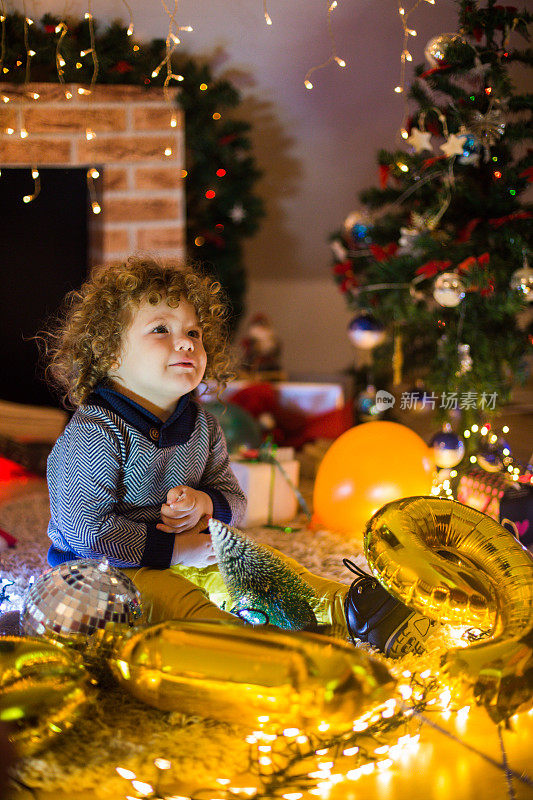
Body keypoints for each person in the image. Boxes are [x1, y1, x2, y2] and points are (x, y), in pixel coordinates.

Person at [44, 255, 435, 657]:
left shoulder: (202, 426)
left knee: (261, 566)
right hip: (103, 572)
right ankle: (248, 646)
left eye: (194, 333)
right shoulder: (94, 433)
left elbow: (236, 502)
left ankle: (351, 610)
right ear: (110, 354)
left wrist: (205, 504)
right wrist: (176, 552)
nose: (186, 343)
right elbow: (89, 534)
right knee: (180, 603)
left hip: (187, 552)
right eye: (161, 329)